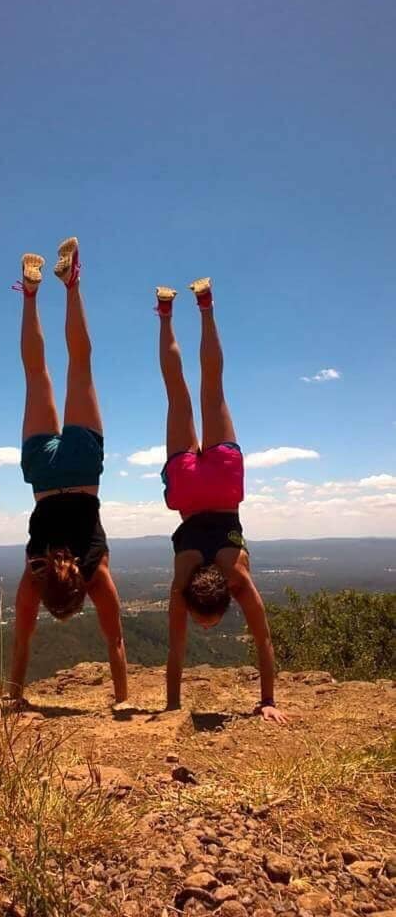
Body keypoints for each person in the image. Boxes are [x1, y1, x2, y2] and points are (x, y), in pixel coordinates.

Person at [155, 278, 287, 724]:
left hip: (225, 487)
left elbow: (263, 640)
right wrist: (266, 703)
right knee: (179, 393)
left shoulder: (238, 574)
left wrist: (268, 698)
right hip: (190, 491)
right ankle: (166, 310)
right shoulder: (185, 579)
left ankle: (205, 305)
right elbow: (178, 650)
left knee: (212, 387)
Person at [8, 238, 128, 705]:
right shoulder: (34, 572)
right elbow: (21, 641)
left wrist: (122, 699)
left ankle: (72, 282)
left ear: (77, 590)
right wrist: (15, 694)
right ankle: (32, 293)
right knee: (36, 374)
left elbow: (114, 642)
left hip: (81, 468)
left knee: (80, 367)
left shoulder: (94, 571)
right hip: (41, 474)